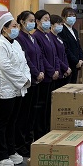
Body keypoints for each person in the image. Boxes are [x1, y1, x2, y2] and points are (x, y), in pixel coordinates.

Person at [0, 12, 31, 166]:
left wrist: (26, 78)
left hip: (18, 88)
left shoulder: (16, 43)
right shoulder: (0, 44)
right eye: (14, 26)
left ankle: (10, 150)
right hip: (6, 89)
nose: (17, 28)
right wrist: (22, 79)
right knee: (2, 123)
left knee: (13, 121)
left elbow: (24, 63)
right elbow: (5, 66)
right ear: (4, 29)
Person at [14, 11, 44, 157]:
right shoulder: (20, 38)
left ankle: (28, 141)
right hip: (28, 81)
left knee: (32, 114)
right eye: (30, 20)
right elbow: (26, 59)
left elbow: (39, 56)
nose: (33, 23)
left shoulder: (31, 37)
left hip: (37, 80)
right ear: (22, 22)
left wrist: (41, 71)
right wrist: (36, 73)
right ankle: (21, 144)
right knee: (24, 115)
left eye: (34, 20)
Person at [32, 10, 59, 139]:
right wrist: (50, 71)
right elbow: (41, 57)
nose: (48, 22)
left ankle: (47, 129)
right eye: (45, 19)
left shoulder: (47, 35)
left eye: (49, 19)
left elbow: (54, 54)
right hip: (45, 77)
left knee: (48, 107)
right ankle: (40, 133)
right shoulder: (37, 36)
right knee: (41, 108)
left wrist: (57, 69)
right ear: (38, 21)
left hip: (52, 76)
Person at [58, 7, 83, 84]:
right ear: (64, 17)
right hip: (68, 64)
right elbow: (66, 49)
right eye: (69, 16)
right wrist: (75, 61)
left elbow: (78, 46)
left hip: (76, 64)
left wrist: (81, 59)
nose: (72, 17)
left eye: (74, 15)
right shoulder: (62, 30)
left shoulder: (74, 31)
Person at [50, 15, 71, 89]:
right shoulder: (50, 38)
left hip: (64, 71)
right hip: (57, 70)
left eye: (61, 24)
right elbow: (55, 56)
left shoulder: (58, 37)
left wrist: (67, 67)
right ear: (52, 25)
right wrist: (65, 68)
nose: (60, 26)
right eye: (58, 24)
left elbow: (64, 54)